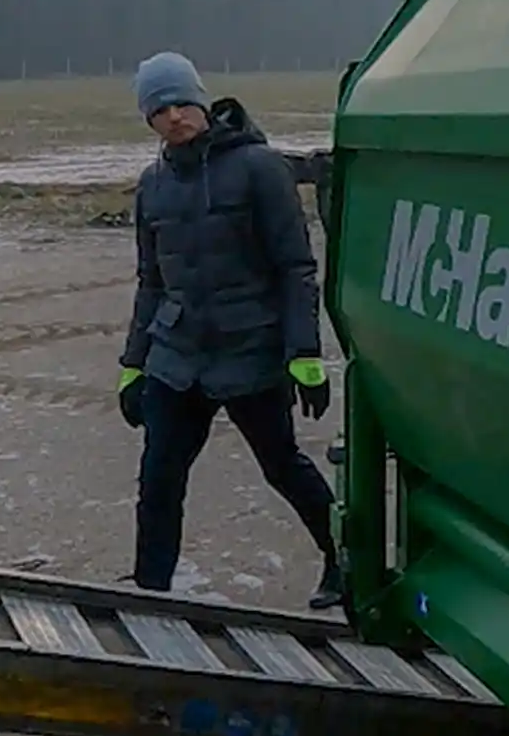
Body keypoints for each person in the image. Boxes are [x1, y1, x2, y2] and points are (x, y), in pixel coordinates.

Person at [115, 52, 343, 608]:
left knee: (282, 466)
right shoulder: (153, 185)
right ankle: (151, 594)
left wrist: (304, 354)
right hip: (177, 354)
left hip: (249, 347)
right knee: (159, 478)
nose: (173, 116)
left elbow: (296, 267)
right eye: (158, 109)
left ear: (201, 99)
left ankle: (345, 563)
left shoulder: (260, 168)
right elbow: (151, 281)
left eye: (180, 102)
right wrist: (132, 363)